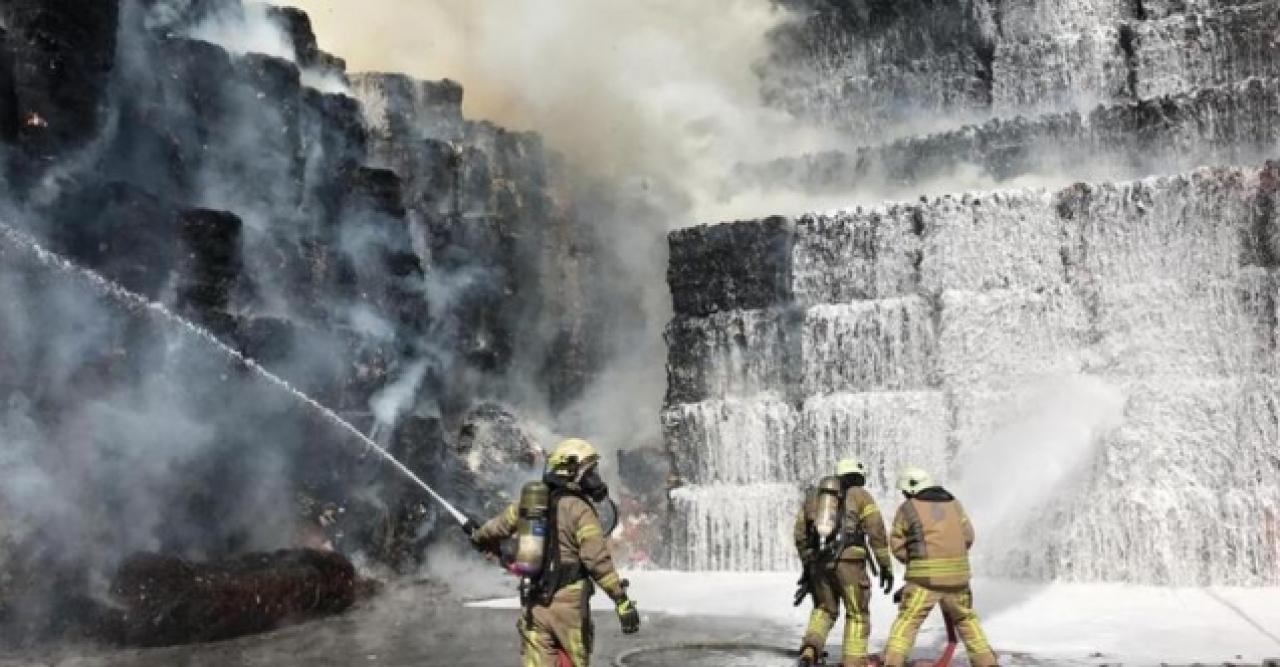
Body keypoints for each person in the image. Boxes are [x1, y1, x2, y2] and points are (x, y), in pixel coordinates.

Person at [467, 438, 640, 666]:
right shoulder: (580, 509)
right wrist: (621, 600)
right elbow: (596, 560)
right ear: (571, 472)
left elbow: (495, 529)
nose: (594, 479)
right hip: (568, 604)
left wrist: (477, 535)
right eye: (588, 472)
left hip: (535, 601)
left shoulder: (529, 503)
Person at [882, 467, 997, 667]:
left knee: (908, 621)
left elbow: (897, 544)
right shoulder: (955, 505)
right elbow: (968, 536)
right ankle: (987, 663)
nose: (904, 495)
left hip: (924, 581)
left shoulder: (908, 508)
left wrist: (915, 561)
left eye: (905, 491)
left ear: (911, 488)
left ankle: (893, 663)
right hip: (959, 580)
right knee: (967, 621)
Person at [793, 458, 893, 667]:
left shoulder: (815, 497)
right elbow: (876, 532)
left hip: (820, 563)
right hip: (850, 564)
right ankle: (853, 662)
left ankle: (810, 650)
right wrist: (885, 565)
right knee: (857, 613)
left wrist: (808, 565)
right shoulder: (861, 496)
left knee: (824, 609)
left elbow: (800, 535)